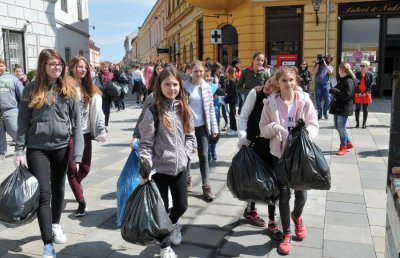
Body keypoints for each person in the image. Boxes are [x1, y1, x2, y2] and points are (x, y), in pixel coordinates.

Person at [14, 49, 84, 258]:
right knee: (44, 193)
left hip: (62, 146)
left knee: (59, 188)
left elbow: (77, 125)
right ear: (43, 66)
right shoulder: (31, 89)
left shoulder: (68, 89)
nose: (57, 67)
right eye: (52, 64)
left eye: (59, 64)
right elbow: (23, 121)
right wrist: (19, 149)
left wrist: (77, 155)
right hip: (38, 148)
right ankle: (48, 244)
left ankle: (55, 224)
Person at [259, 66, 319, 255]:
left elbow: (314, 125)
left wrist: (305, 133)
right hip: (280, 156)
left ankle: (297, 216)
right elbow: (262, 129)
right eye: (284, 80)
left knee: (301, 196)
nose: (288, 84)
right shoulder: (270, 103)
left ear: (296, 81)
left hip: (300, 157)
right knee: (284, 196)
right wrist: (273, 127)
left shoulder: (304, 100)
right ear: (278, 83)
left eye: (291, 80)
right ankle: (286, 234)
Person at [138, 66, 194, 258]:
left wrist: (186, 155)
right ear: (159, 86)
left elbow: (190, 136)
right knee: (161, 211)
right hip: (160, 169)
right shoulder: (153, 111)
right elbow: (145, 144)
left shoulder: (184, 108)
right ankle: (164, 246)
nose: (171, 88)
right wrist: (144, 170)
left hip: (180, 167)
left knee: (181, 206)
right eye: (167, 84)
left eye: (175, 84)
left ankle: (172, 225)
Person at [237, 75, 283, 240]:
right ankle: (250, 210)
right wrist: (242, 137)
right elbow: (243, 116)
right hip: (253, 142)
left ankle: (272, 222)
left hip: (270, 145)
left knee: (272, 182)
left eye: (273, 84)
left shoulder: (276, 99)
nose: (269, 85)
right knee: (253, 179)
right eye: (269, 81)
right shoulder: (255, 93)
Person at [67, 56, 107, 217]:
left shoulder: (90, 88)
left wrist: (101, 129)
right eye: (80, 67)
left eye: (85, 67)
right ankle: (81, 202)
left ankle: (76, 184)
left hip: (84, 133)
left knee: (85, 168)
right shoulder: (64, 87)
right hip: (68, 134)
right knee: (71, 169)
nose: (83, 70)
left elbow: (99, 112)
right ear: (72, 68)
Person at [184, 60, 219, 201]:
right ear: (190, 71)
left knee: (204, 155)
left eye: (201, 71)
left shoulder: (206, 87)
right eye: (195, 71)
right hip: (188, 126)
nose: (198, 73)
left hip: (203, 126)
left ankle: (206, 185)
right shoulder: (184, 86)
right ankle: (187, 179)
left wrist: (214, 128)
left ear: (204, 72)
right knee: (187, 154)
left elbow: (210, 108)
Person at [329, 62, 357, 156]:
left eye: (339, 70)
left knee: (341, 127)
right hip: (338, 107)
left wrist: (335, 90)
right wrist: (333, 89)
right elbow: (339, 91)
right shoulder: (343, 80)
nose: (338, 72)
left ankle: (343, 146)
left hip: (343, 107)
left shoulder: (349, 81)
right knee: (337, 126)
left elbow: (347, 96)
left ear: (343, 70)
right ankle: (348, 142)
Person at [0, 59, 24, 161]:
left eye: (1, 65)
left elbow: (23, 95)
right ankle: (1, 154)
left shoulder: (13, 79)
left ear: (5, 66)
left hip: (11, 111)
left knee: (16, 132)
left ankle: (23, 150)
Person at [312, 54, 334, 120]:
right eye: (327, 58)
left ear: (330, 61)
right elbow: (313, 73)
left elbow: (330, 72)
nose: (328, 59)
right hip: (318, 85)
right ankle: (319, 113)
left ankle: (325, 112)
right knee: (318, 101)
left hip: (326, 85)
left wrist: (325, 64)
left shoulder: (330, 66)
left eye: (329, 59)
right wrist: (318, 64)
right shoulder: (318, 65)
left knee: (328, 100)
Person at [354, 60, 373, 129]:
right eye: (361, 65)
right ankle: (357, 123)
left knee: (365, 109)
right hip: (358, 93)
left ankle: (364, 123)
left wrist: (366, 92)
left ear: (367, 67)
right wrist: (358, 92)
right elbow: (355, 84)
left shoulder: (370, 74)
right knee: (357, 109)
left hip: (366, 93)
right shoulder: (357, 74)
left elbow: (371, 84)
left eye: (363, 66)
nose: (361, 67)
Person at [99, 61, 114, 129]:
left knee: (107, 109)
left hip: (108, 94)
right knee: (101, 109)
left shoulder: (111, 74)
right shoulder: (99, 75)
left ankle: (106, 124)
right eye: (103, 67)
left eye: (106, 67)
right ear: (101, 68)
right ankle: (101, 123)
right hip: (100, 94)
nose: (105, 68)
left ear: (108, 68)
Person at [224, 67, 238, 135]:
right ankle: (232, 128)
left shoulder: (232, 81)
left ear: (229, 73)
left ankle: (234, 129)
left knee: (232, 114)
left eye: (227, 72)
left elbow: (231, 92)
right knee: (231, 114)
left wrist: (225, 98)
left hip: (232, 100)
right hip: (231, 100)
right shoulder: (230, 80)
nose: (225, 73)